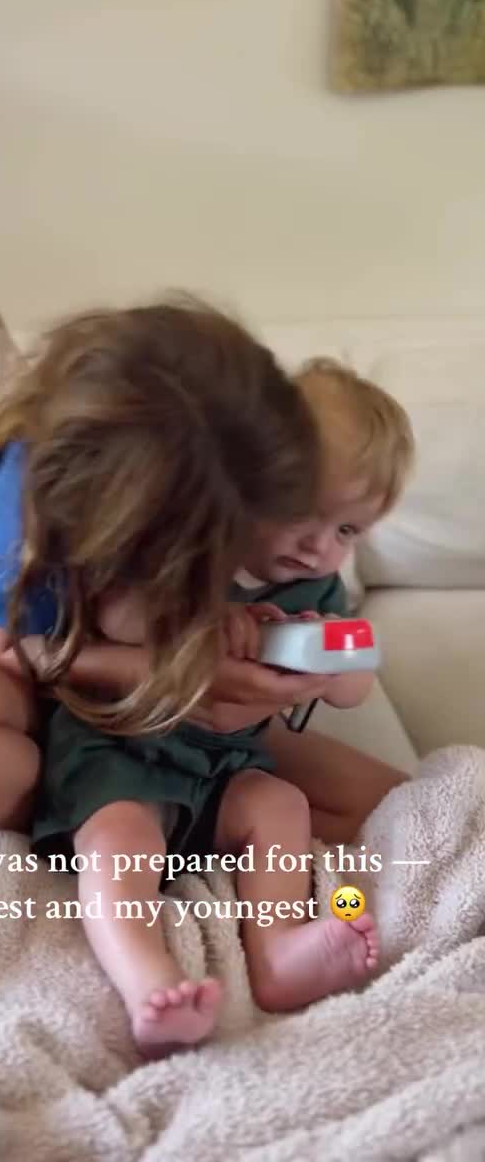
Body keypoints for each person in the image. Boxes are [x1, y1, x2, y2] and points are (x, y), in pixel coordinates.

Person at [30, 356, 415, 1057]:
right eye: (304, 511)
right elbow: (105, 624)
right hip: (122, 753)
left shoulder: (318, 593)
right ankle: (147, 984)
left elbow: (356, 681)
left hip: (226, 766)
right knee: (121, 840)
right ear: (242, 479)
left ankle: (277, 954)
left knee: (280, 805)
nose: (320, 547)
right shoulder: (181, 552)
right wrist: (202, 626)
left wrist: (331, 662)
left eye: (348, 532)